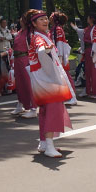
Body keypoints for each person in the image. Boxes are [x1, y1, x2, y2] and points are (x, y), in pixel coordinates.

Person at [25, 9, 73, 157]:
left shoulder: (39, 36)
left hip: (42, 78)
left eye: (46, 18)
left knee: (45, 111)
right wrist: (44, 51)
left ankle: (44, 143)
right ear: (33, 23)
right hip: (46, 80)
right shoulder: (39, 38)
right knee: (52, 110)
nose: (45, 21)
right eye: (41, 20)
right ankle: (49, 145)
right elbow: (40, 50)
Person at [49, 11, 78, 106]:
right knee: (62, 76)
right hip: (57, 55)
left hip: (59, 56)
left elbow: (60, 43)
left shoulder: (57, 29)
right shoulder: (55, 29)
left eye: (51, 16)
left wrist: (59, 57)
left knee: (65, 76)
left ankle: (72, 97)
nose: (49, 17)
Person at [11, 15, 36, 117]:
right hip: (17, 59)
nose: (20, 20)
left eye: (22, 19)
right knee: (19, 83)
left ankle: (33, 108)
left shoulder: (29, 33)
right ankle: (20, 104)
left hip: (25, 58)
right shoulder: (21, 31)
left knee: (28, 83)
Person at [0, 17, 12, 95]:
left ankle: (8, 86)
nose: (5, 24)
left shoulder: (7, 30)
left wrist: (5, 38)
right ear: (0, 23)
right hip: (1, 51)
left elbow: (10, 38)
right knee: (2, 69)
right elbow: (0, 38)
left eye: (5, 22)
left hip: (8, 51)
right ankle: (2, 88)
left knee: (8, 68)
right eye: (3, 22)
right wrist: (6, 38)